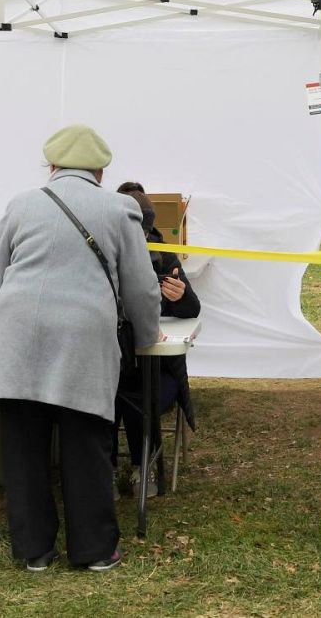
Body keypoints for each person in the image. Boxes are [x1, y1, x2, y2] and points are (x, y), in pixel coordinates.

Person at [0, 126, 161, 572]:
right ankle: (96, 551)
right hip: (83, 337)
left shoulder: (21, 204)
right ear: (101, 171)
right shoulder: (120, 208)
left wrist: (12, 316)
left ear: (53, 166)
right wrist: (145, 338)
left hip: (19, 333)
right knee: (86, 444)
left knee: (24, 448)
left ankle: (34, 552)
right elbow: (142, 289)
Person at [115, 187, 201, 498]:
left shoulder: (160, 253)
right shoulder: (102, 255)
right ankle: (104, 469)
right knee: (105, 391)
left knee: (140, 394)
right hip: (113, 362)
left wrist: (181, 296)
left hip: (157, 369)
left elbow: (192, 309)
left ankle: (143, 466)